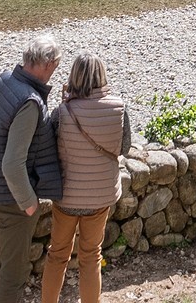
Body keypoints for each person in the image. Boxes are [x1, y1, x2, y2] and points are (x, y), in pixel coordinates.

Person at [0, 34, 65, 302]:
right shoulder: (30, 102)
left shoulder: (5, 81)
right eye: (55, 67)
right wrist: (29, 203)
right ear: (48, 65)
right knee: (13, 275)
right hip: (14, 200)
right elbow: (12, 163)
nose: (54, 73)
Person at [40, 53, 131, 303]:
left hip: (67, 196)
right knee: (91, 256)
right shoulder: (119, 108)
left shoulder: (63, 111)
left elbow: (49, 149)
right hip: (100, 195)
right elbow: (124, 148)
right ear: (102, 75)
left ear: (74, 77)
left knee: (57, 255)